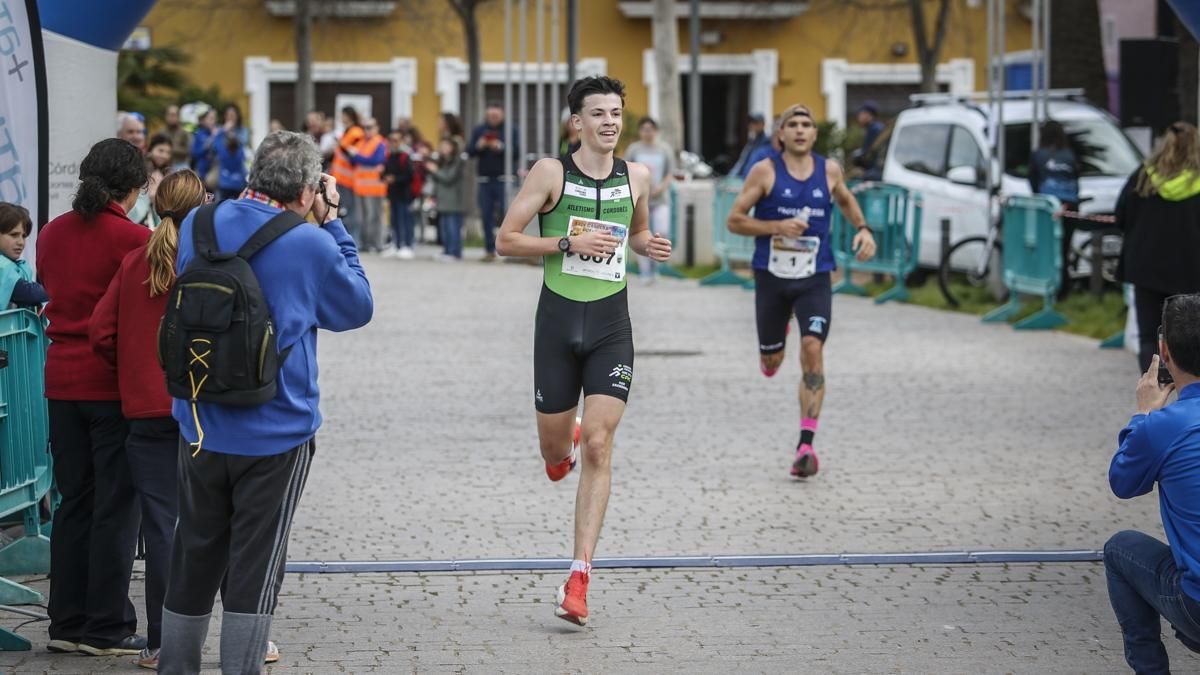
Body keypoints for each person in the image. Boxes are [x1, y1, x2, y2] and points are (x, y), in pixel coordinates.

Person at [156, 131, 372, 674]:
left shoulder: (199, 226)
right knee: (256, 561)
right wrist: (335, 223)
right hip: (276, 429)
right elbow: (357, 306)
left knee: (194, 550)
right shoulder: (310, 242)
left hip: (199, 420)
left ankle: (176, 666)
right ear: (306, 190)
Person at [496, 76, 672, 626]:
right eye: (597, 113)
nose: (610, 122)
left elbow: (635, 232)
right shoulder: (551, 173)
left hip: (610, 326)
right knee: (556, 455)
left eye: (616, 112)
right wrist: (565, 242)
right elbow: (506, 240)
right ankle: (560, 446)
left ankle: (579, 578)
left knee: (600, 444)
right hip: (557, 323)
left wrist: (649, 245)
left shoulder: (637, 176)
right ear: (577, 122)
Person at [36, 138, 151, 657]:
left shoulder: (52, 233)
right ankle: (106, 627)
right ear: (131, 187)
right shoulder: (134, 238)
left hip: (60, 380)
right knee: (116, 505)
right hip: (109, 384)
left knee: (73, 502)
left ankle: (65, 621)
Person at [88, 170, 207, 670]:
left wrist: (135, 372)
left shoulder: (136, 260)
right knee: (213, 526)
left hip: (143, 412)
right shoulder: (206, 264)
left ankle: (162, 642)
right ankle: (246, 631)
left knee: (162, 530)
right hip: (201, 412)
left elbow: (101, 332)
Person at [726, 104, 877, 478]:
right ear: (781, 134)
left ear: (813, 134)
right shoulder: (765, 172)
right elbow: (735, 220)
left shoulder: (829, 170)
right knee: (773, 362)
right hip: (772, 279)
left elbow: (843, 198)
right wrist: (776, 226)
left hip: (815, 276)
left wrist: (862, 227)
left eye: (806, 125)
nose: (799, 130)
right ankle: (775, 342)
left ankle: (805, 445)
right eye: (791, 124)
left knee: (813, 350)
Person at [1105, 293, 1200, 674]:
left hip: (1195, 604)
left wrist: (1143, 414)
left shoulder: (1162, 426)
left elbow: (1123, 482)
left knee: (1120, 549)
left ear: (1164, 350)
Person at [1116, 122, 1200, 372]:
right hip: (1191, 269)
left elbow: (1121, 215)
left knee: (1149, 337)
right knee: (1191, 337)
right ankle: (1190, 397)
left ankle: (1154, 392)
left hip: (1146, 268)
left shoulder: (1143, 176)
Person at [1029, 120, 1081, 297]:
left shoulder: (1038, 155)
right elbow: (1076, 179)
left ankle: (1049, 288)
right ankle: (1064, 290)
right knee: (1064, 249)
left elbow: (1033, 183)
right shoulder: (1069, 154)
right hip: (1070, 207)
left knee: (1048, 249)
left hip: (1048, 207)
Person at [623, 117, 675, 280]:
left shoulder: (664, 149)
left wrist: (661, 187)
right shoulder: (634, 149)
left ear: (656, 131)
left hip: (660, 199)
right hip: (639, 200)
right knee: (639, 233)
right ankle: (645, 271)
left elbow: (670, 173)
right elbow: (626, 170)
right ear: (640, 131)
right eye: (644, 129)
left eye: (650, 129)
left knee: (662, 231)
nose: (648, 133)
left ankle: (657, 267)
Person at [469, 102, 519, 261]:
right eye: (490, 116)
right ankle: (489, 249)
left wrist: (500, 146)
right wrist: (480, 145)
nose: (492, 119)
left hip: (504, 179)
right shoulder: (479, 130)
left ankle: (510, 249)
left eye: (495, 116)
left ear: (502, 115)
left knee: (508, 215)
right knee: (486, 215)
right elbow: (469, 151)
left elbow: (517, 151)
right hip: (484, 180)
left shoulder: (511, 130)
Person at [350, 117, 388, 253]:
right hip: (360, 187)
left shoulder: (380, 143)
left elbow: (376, 160)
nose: (367, 130)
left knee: (374, 217)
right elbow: (353, 160)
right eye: (364, 127)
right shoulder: (361, 143)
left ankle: (376, 244)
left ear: (377, 128)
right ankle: (366, 243)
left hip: (375, 188)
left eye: (370, 127)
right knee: (362, 218)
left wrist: (359, 158)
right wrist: (361, 159)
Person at [0, 203, 48, 308]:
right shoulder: (2, 266)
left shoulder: (14, 265)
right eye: (14, 235)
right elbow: (28, 293)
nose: (21, 242)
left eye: (23, 236)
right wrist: (60, 290)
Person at [427, 137, 465, 261]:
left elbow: (448, 177)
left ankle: (454, 252)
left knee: (452, 228)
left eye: (446, 145)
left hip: (453, 201)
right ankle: (447, 251)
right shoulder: (442, 161)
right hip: (442, 200)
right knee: (444, 228)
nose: (443, 148)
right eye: (442, 145)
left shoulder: (457, 161)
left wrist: (435, 170)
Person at [331, 106, 365, 244]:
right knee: (344, 210)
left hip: (349, 179)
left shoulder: (356, 131)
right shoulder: (346, 131)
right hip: (340, 177)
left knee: (351, 211)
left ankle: (353, 239)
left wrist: (341, 144)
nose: (341, 118)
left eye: (343, 115)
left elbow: (353, 152)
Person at [383, 130, 416, 259]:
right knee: (394, 220)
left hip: (404, 194)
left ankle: (407, 245)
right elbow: (386, 172)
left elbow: (409, 176)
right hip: (393, 194)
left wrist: (395, 179)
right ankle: (396, 244)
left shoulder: (405, 156)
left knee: (404, 220)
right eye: (391, 140)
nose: (393, 143)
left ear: (401, 141)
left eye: (396, 140)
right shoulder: (390, 156)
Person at [213, 104, 250, 201]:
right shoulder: (220, 130)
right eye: (228, 115)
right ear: (225, 116)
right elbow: (214, 145)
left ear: (237, 116)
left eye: (233, 115)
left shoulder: (242, 130)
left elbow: (243, 143)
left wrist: (231, 133)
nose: (230, 118)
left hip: (239, 174)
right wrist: (223, 130)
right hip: (223, 175)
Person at [731, 113, 770, 178]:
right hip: (743, 179)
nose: (752, 125)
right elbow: (742, 162)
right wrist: (731, 176)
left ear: (763, 124)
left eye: (756, 123)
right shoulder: (751, 142)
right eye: (751, 123)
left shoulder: (767, 143)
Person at [191, 106, 219, 189]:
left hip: (215, 172)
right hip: (202, 171)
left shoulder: (219, 133)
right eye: (210, 119)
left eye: (214, 119)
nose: (213, 122)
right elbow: (195, 153)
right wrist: (211, 140)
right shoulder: (199, 134)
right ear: (204, 120)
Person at [159, 105, 193, 172]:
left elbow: (190, 150)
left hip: (180, 163)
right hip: (164, 164)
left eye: (174, 115)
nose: (171, 117)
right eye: (169, 115)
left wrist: (172, 149)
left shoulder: (184, 132)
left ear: (178, 117)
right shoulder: (162, 132)